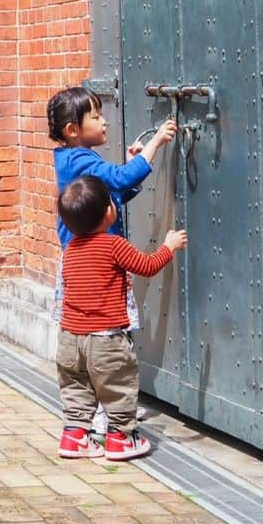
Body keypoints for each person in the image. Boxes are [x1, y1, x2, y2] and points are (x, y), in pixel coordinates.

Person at [47, 86, 177, 437]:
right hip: (96, 265)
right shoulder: (81, 160)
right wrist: (154, 146)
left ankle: (91, 418)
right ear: (73, 130)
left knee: (86, 339)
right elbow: (119, 180)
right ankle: (111, 414)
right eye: (96, 116)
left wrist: (135, 165)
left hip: (80, 263)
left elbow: (114, 192)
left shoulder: (71, 158)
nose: (104, 121)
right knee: (106, 336)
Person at [56, 175, 187, 460]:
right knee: (117, 386)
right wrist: (170, 246)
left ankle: (74, 437)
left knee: (76, 388)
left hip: (69, 338)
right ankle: (119, 440)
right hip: (105, 339)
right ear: (109, 212)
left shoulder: (69, 251)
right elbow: (147, 266)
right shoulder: (113, 245)